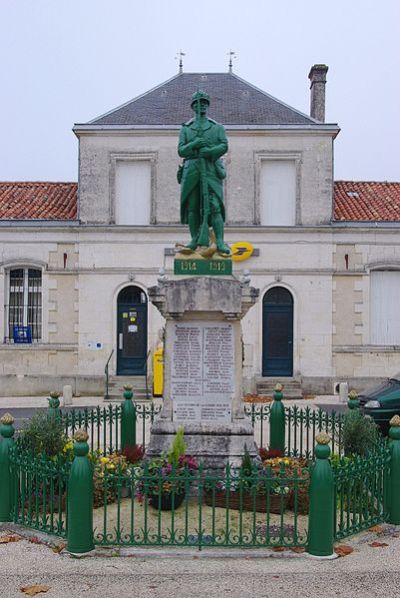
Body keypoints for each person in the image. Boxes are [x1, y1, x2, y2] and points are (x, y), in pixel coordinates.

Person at [178, 90, 230, 255]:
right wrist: (194, 144)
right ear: (193, 106)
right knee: (193, 206)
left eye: (205, 103)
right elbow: (181, 151)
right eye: (199, 103)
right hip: (192, 169)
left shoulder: (217, 127)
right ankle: (194, 239)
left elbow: (224, 145)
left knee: (214, 206)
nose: (202, 106)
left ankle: (220, 241)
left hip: (210, 168)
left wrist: (209, 151)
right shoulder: (186, 129)